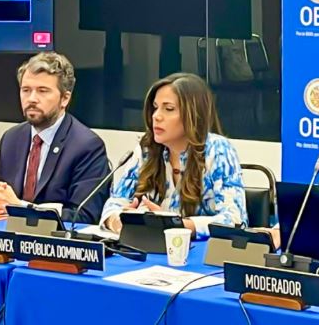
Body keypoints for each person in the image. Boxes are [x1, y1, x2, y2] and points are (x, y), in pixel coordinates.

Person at [0, 52, 110, 224]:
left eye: (43, 91)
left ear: (65, 99)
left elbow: (83, 216)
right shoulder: (12, 139)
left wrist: (19, 207)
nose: (32, 99)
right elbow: (1, 200)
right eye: (26, 90)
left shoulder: (87, 146)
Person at [101, 73, 247, 238]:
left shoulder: (217, 150)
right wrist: (120, 222)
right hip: (151, 252)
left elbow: (235, 220)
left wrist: (175, 225)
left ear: (193, 114)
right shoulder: (147, 150)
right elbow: (114, 203)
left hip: (199, 256)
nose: (156, 116)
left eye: (168, 109)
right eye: (155, 107)